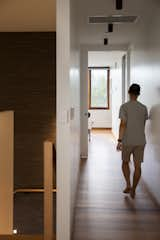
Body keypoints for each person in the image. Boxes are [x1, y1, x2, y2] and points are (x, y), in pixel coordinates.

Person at [117, 84, 148, 198]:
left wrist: (119, 140)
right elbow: (143, 124)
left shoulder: (124, 107)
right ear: (138, 94)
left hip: (128, 140)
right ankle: (134, 189)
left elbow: (123, 124)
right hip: (140, 140)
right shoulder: (144, 108)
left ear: (129, 92)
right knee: (138, 166)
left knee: (125, 162)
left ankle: (128, 184)